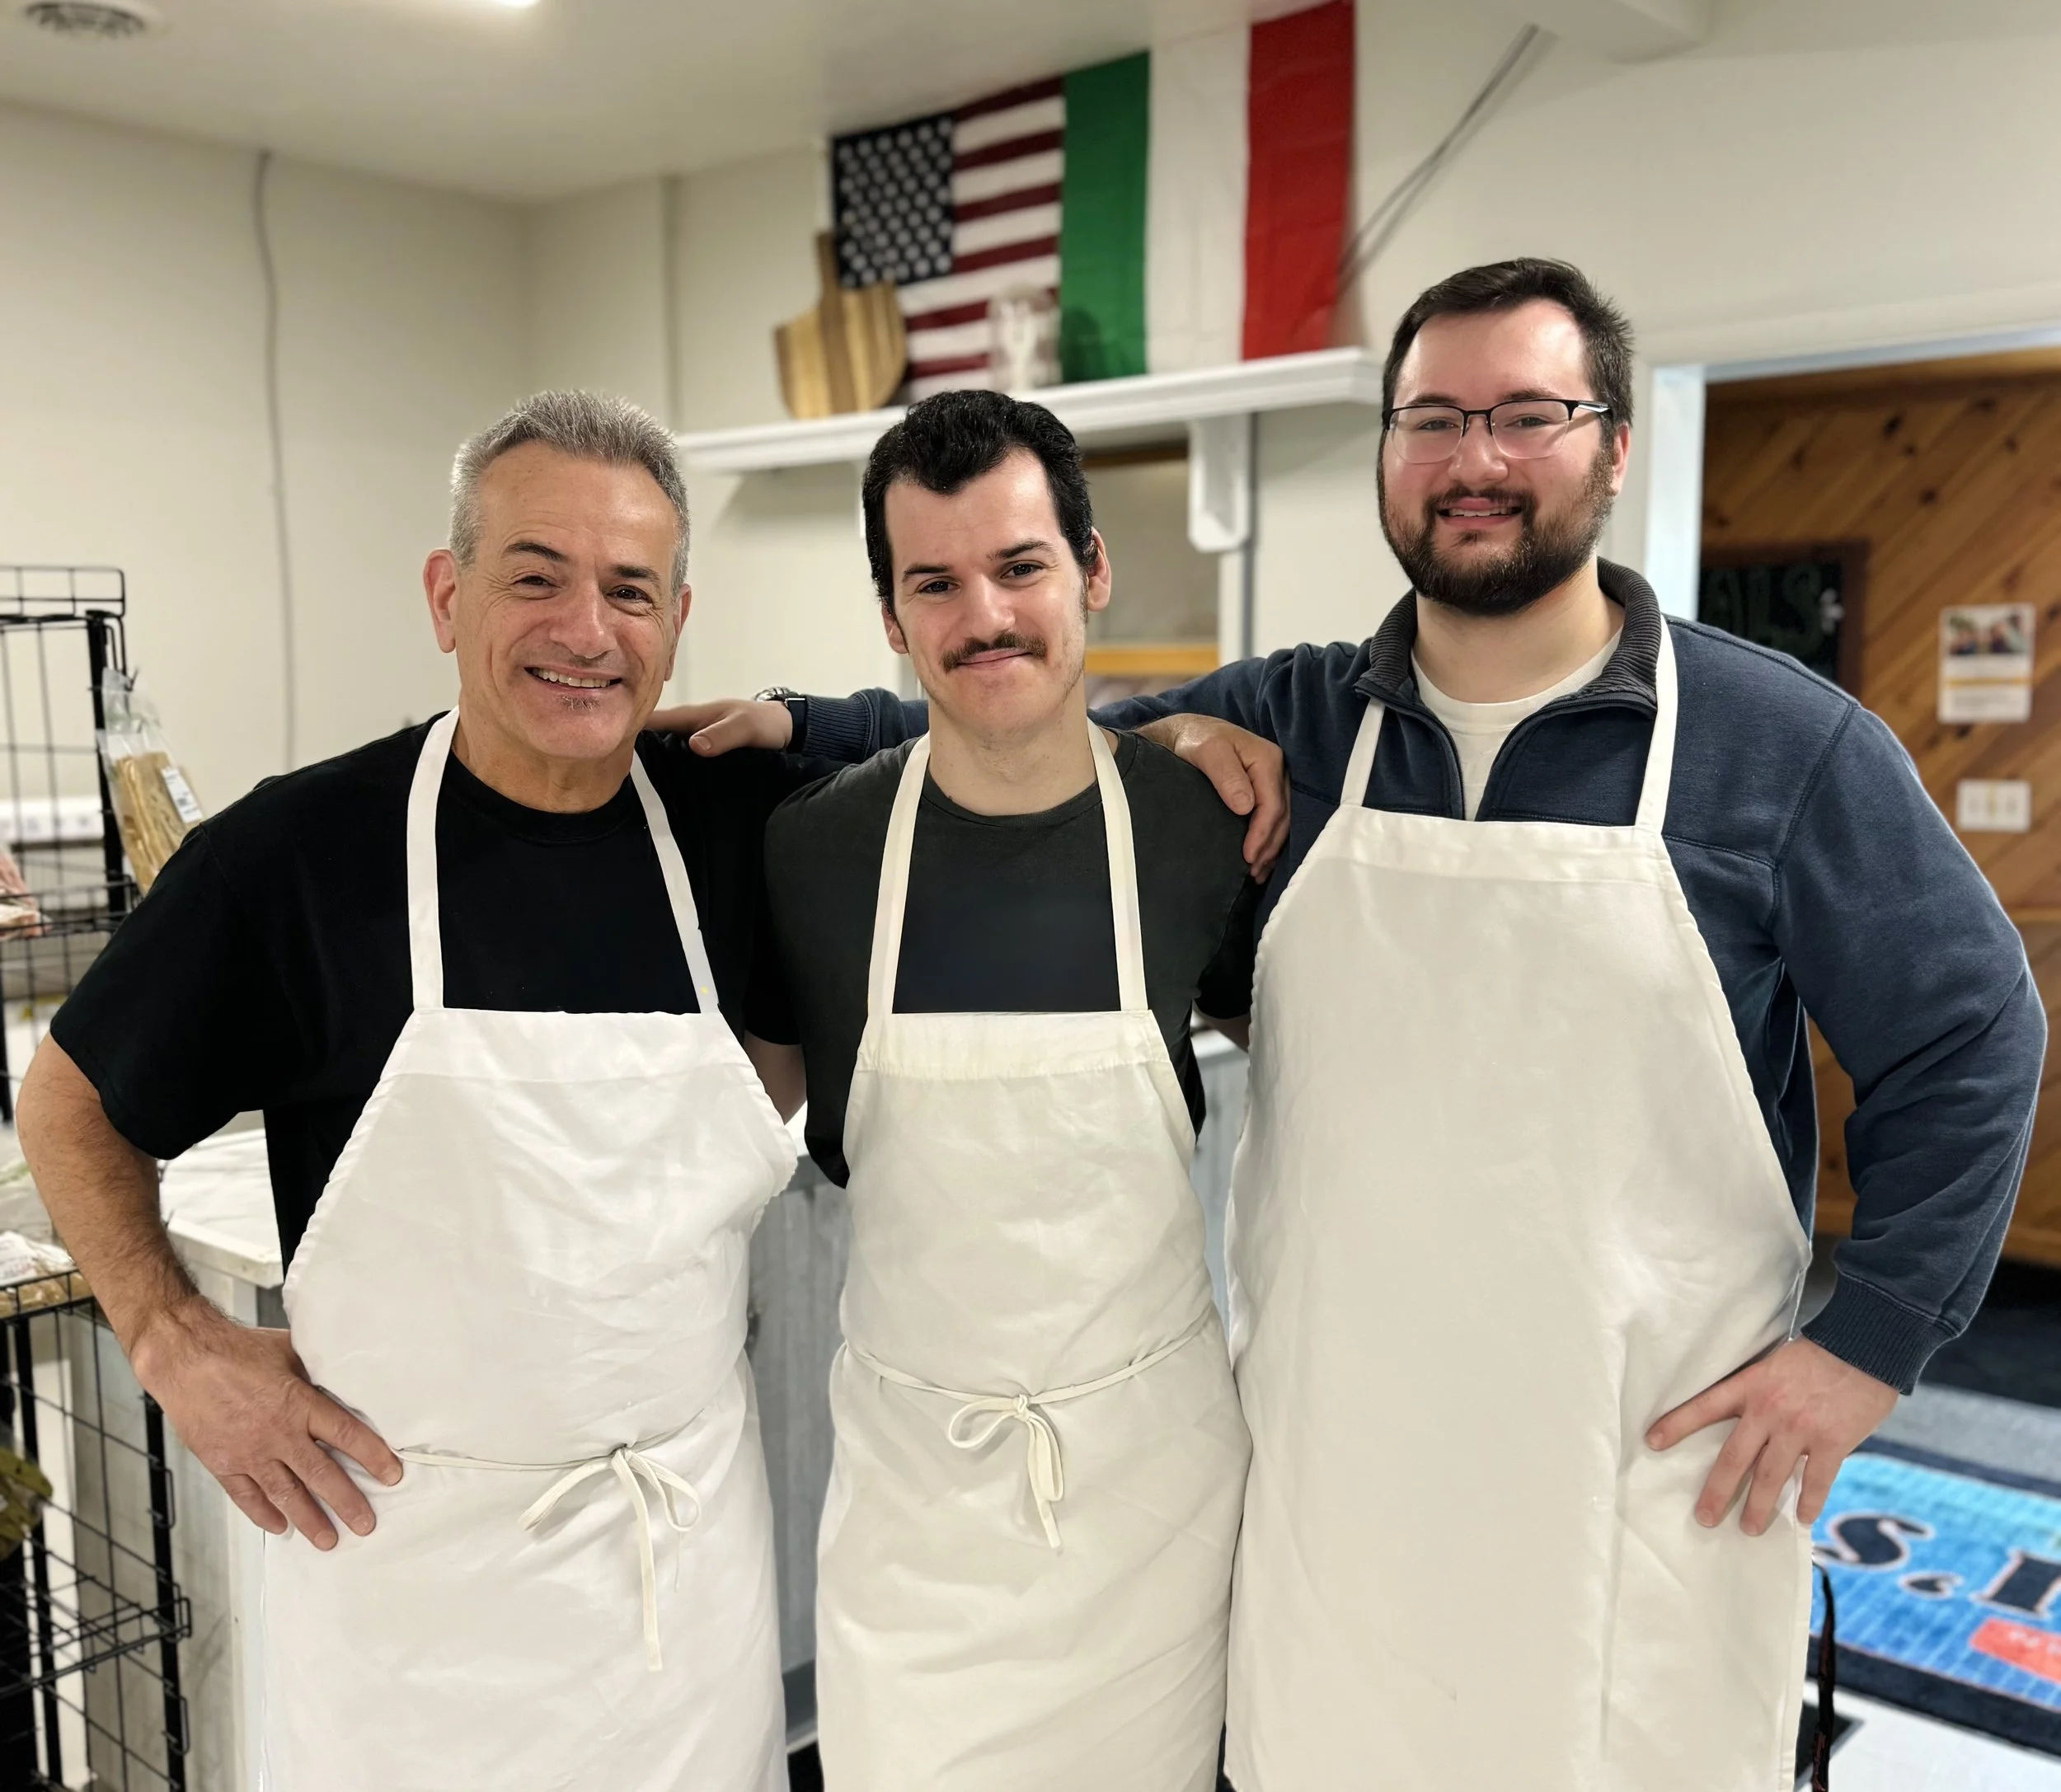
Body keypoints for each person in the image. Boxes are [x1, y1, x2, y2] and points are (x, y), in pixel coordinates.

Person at [670, 260, 2046, 1791]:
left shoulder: (1775, 746)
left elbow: (1973, 1030)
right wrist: (809, 720)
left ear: (1612, 445)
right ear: (1390, 450)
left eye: (1530, 414)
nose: (1476, 460)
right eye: (1434, 418)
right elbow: (1025, 726)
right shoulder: (1308, 723)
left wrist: (1869, 1346)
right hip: (1342, 1496)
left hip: (1633, 1493)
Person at [18, 393, 806, 1791]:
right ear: (449, 596)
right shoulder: (296, 857)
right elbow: (69, 1099)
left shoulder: (740, 838)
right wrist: (170, 1336)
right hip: (412, 1609)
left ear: (679, 616)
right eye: (536, 575)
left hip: (682, 1585)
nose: (587, 627)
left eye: (631, 589)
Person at [739, 391, 1256, 1791]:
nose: (986, 615)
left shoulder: (1205, 827)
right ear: (893, 616)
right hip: (919, 1514)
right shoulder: (815, 855)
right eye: (937, 582)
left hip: (1152, 1505)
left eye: (1021, 566)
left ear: (1090, 572)